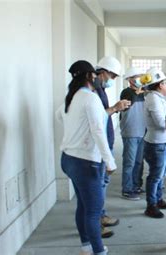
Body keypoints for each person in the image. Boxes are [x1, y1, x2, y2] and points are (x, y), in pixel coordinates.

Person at [56, 60, 115, 255]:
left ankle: (86, 247)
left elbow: (59, 116)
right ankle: (99, 251)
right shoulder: (91, 98)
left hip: (68, 159)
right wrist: (109, 160)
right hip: (85, 162)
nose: (99, 78)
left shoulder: (71, 97)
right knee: (93, 210)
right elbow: (98, 131)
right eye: (96, 75)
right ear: (90, 76)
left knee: (83, 205)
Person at [93, 56, 130, 238]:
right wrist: (115, 108)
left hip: (105, 143)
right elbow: (96, 119)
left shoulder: (99, 89)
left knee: (103, 182)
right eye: (112, 76)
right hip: (98, 147)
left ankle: (101, 216)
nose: (112, 80)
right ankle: (96, 225)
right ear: (102, 72)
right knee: (97, 185)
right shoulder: (91, 91)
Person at [141, 67, 166, 219]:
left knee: (160, 175)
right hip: (158, 143)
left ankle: (158, 200)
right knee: (155, 175)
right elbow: (161, 123)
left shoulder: (157, 98)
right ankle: (151, 205)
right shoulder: (153, 99)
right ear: (160, 84)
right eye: (165, 83)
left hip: (164, 142)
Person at [119, 67, 147, 201]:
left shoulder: (143, 93)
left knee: (139, 162)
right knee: (129, 162)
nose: (139, 79)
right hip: (130, 131)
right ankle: (127, 189)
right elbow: (129, 102)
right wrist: (138, 92)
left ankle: (136, 185)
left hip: (142, 131)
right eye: (136, 76)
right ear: (129, 80)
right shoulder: (126, 92)